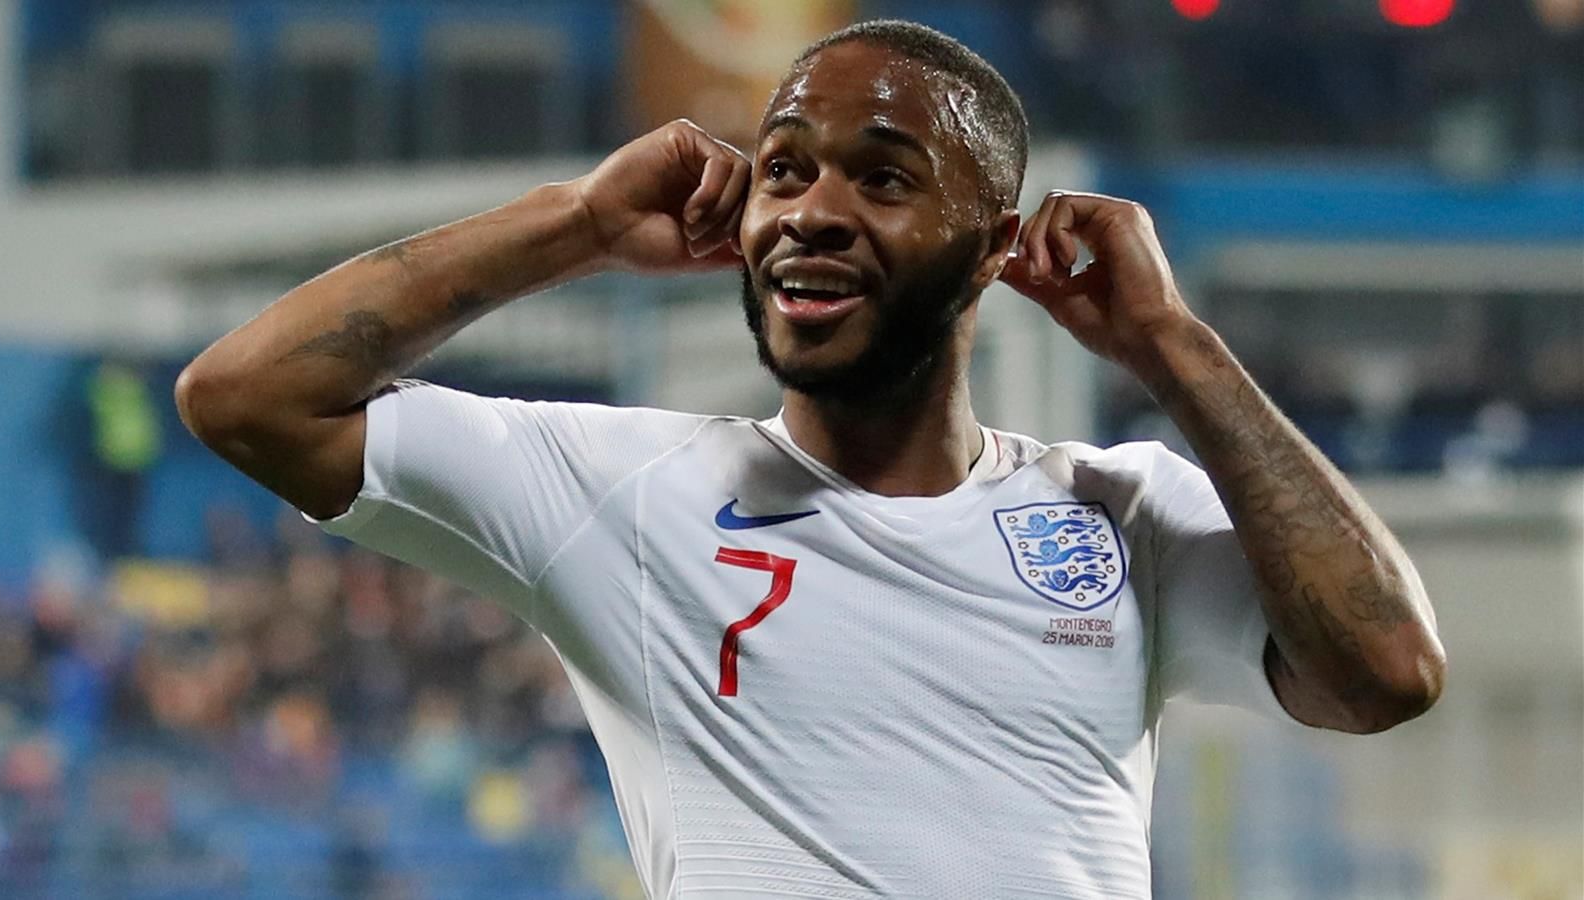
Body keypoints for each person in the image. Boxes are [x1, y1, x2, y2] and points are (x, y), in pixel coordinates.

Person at [176, 19, 1445, 899]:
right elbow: (249, 397)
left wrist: (1172, 346)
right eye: (783, 171)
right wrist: (574, 224)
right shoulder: (625, 493)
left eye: (883, 179)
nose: (812, 211)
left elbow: (1385, 671)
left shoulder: (1119, 515)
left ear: (992, 246)